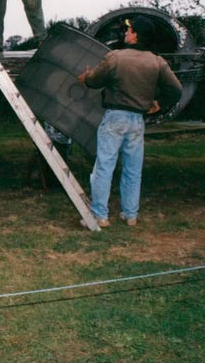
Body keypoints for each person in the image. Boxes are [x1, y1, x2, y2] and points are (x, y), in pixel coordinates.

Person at [77, 16, 182, 227]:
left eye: (129, 30)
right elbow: (177, 90)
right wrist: (159, 103)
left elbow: (95, 80)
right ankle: (130, 214)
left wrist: (85, 77)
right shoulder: (157, 61)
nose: (126, 32)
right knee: (133, 169)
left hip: (115, 118)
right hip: (137, 121)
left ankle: (100, 215)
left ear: (135, 35)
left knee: (104, 167)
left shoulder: (115, 57)